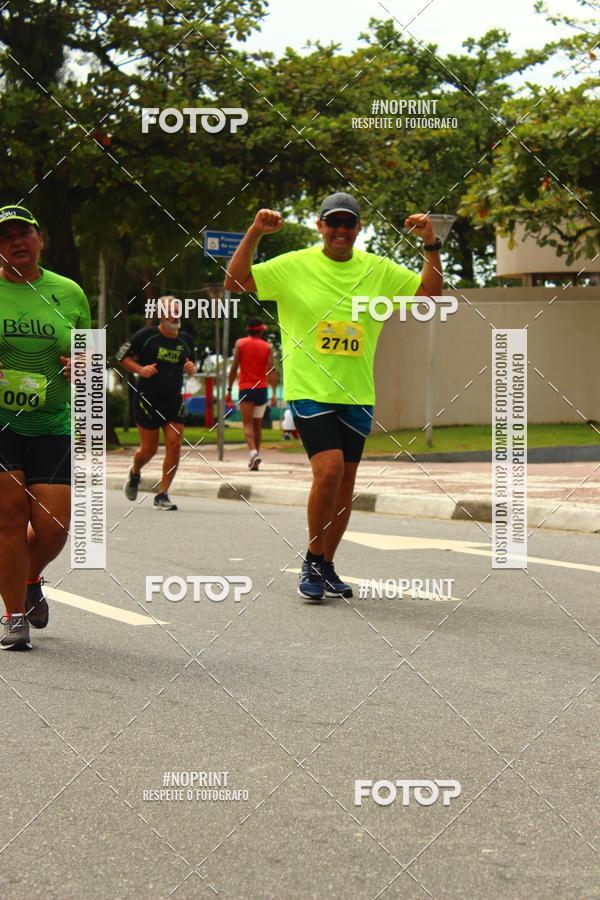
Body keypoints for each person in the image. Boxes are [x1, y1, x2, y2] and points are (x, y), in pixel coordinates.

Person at [224, 192, 443, 602]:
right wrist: (254, 232)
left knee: (345, 485)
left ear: (358, 229)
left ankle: (326, 563)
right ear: (320, 227)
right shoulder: (295, 265)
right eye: (333, 223)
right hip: (310, 390)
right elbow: (235, 282)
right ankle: (310, 557)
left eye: (348, 224)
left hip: (357, 393)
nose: (340, 230)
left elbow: (431, 294)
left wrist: (430, 242)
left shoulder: (377, 270)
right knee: (329, 471)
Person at [0, 205, 91, 649]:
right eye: (5, 237)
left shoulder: (69, 292)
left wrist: (82, 365)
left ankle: (30, 577)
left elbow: (91, 355)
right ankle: (14, 615)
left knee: (54, 527)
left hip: (53, 421)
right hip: (2, 423)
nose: (15, 242)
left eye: (24, 234)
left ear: (40, 239)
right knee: (9, 518)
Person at [117, 297, 196, 510]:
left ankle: (162, 494)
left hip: (173, 401)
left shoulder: (186, 340)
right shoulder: (145, 336)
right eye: (171, 311)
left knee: (175, 445)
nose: (175, 315)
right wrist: (140, 369)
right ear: (161, 315)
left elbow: (191, 364)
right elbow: (120, 356)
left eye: (178, 311)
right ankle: (135, 473)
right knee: (148, 450)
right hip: (147, 401)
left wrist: (191, 368)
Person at [226, 317, 277, 470]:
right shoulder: (268, 347)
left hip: (246, 388)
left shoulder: (240, 344)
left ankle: (254, 454)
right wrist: (274, 393)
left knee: (247, 424)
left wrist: (229, 389)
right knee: (257, 425)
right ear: (260, 330)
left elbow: (234, 368)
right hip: (262, 388)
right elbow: (272, 370)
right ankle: (256, 457)